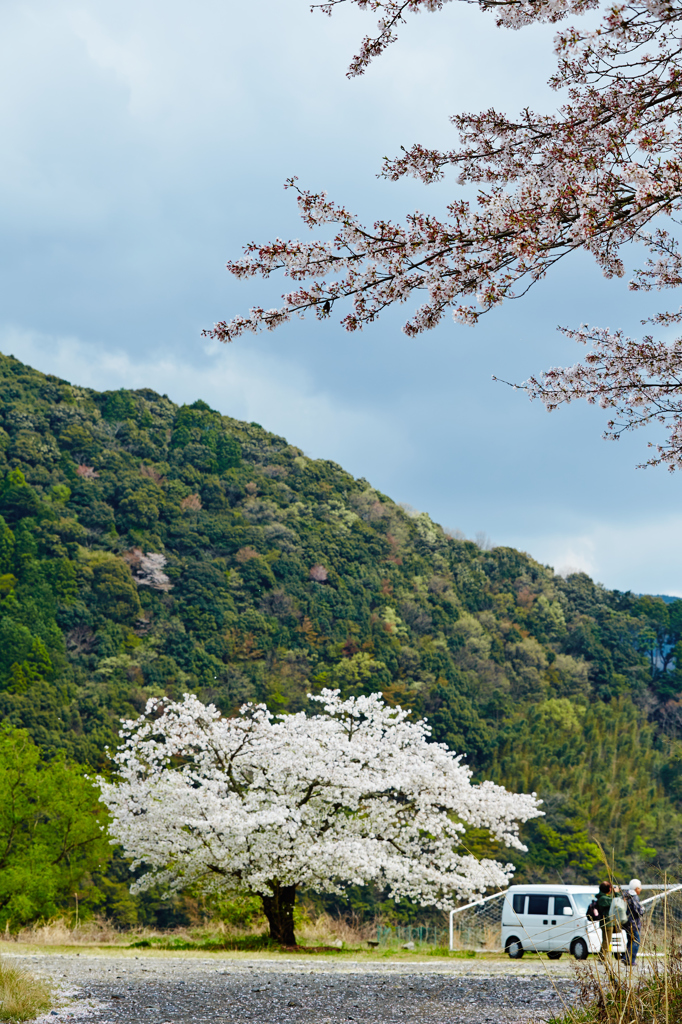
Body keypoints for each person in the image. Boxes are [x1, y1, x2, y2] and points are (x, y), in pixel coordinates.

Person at [623, 879, 643, 966]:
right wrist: (642, 910)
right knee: (636, 941)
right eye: (639, 888)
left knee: (630, 940)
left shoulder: (625, 895)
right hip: (633, 923)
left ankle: (626, 957)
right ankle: (630, 959)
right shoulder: (634, 896)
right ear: (636, 888)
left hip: (626, 923)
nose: (640, 889)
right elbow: (637, 910)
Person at [596, 881, 614, 957]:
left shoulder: (602, 897)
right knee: (607, 941)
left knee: (606, 940)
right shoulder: (603, 898)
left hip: (607, 922)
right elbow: (614, 902)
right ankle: (602, 957)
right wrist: (616, 893)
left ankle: (602, 956)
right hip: (607, 922)